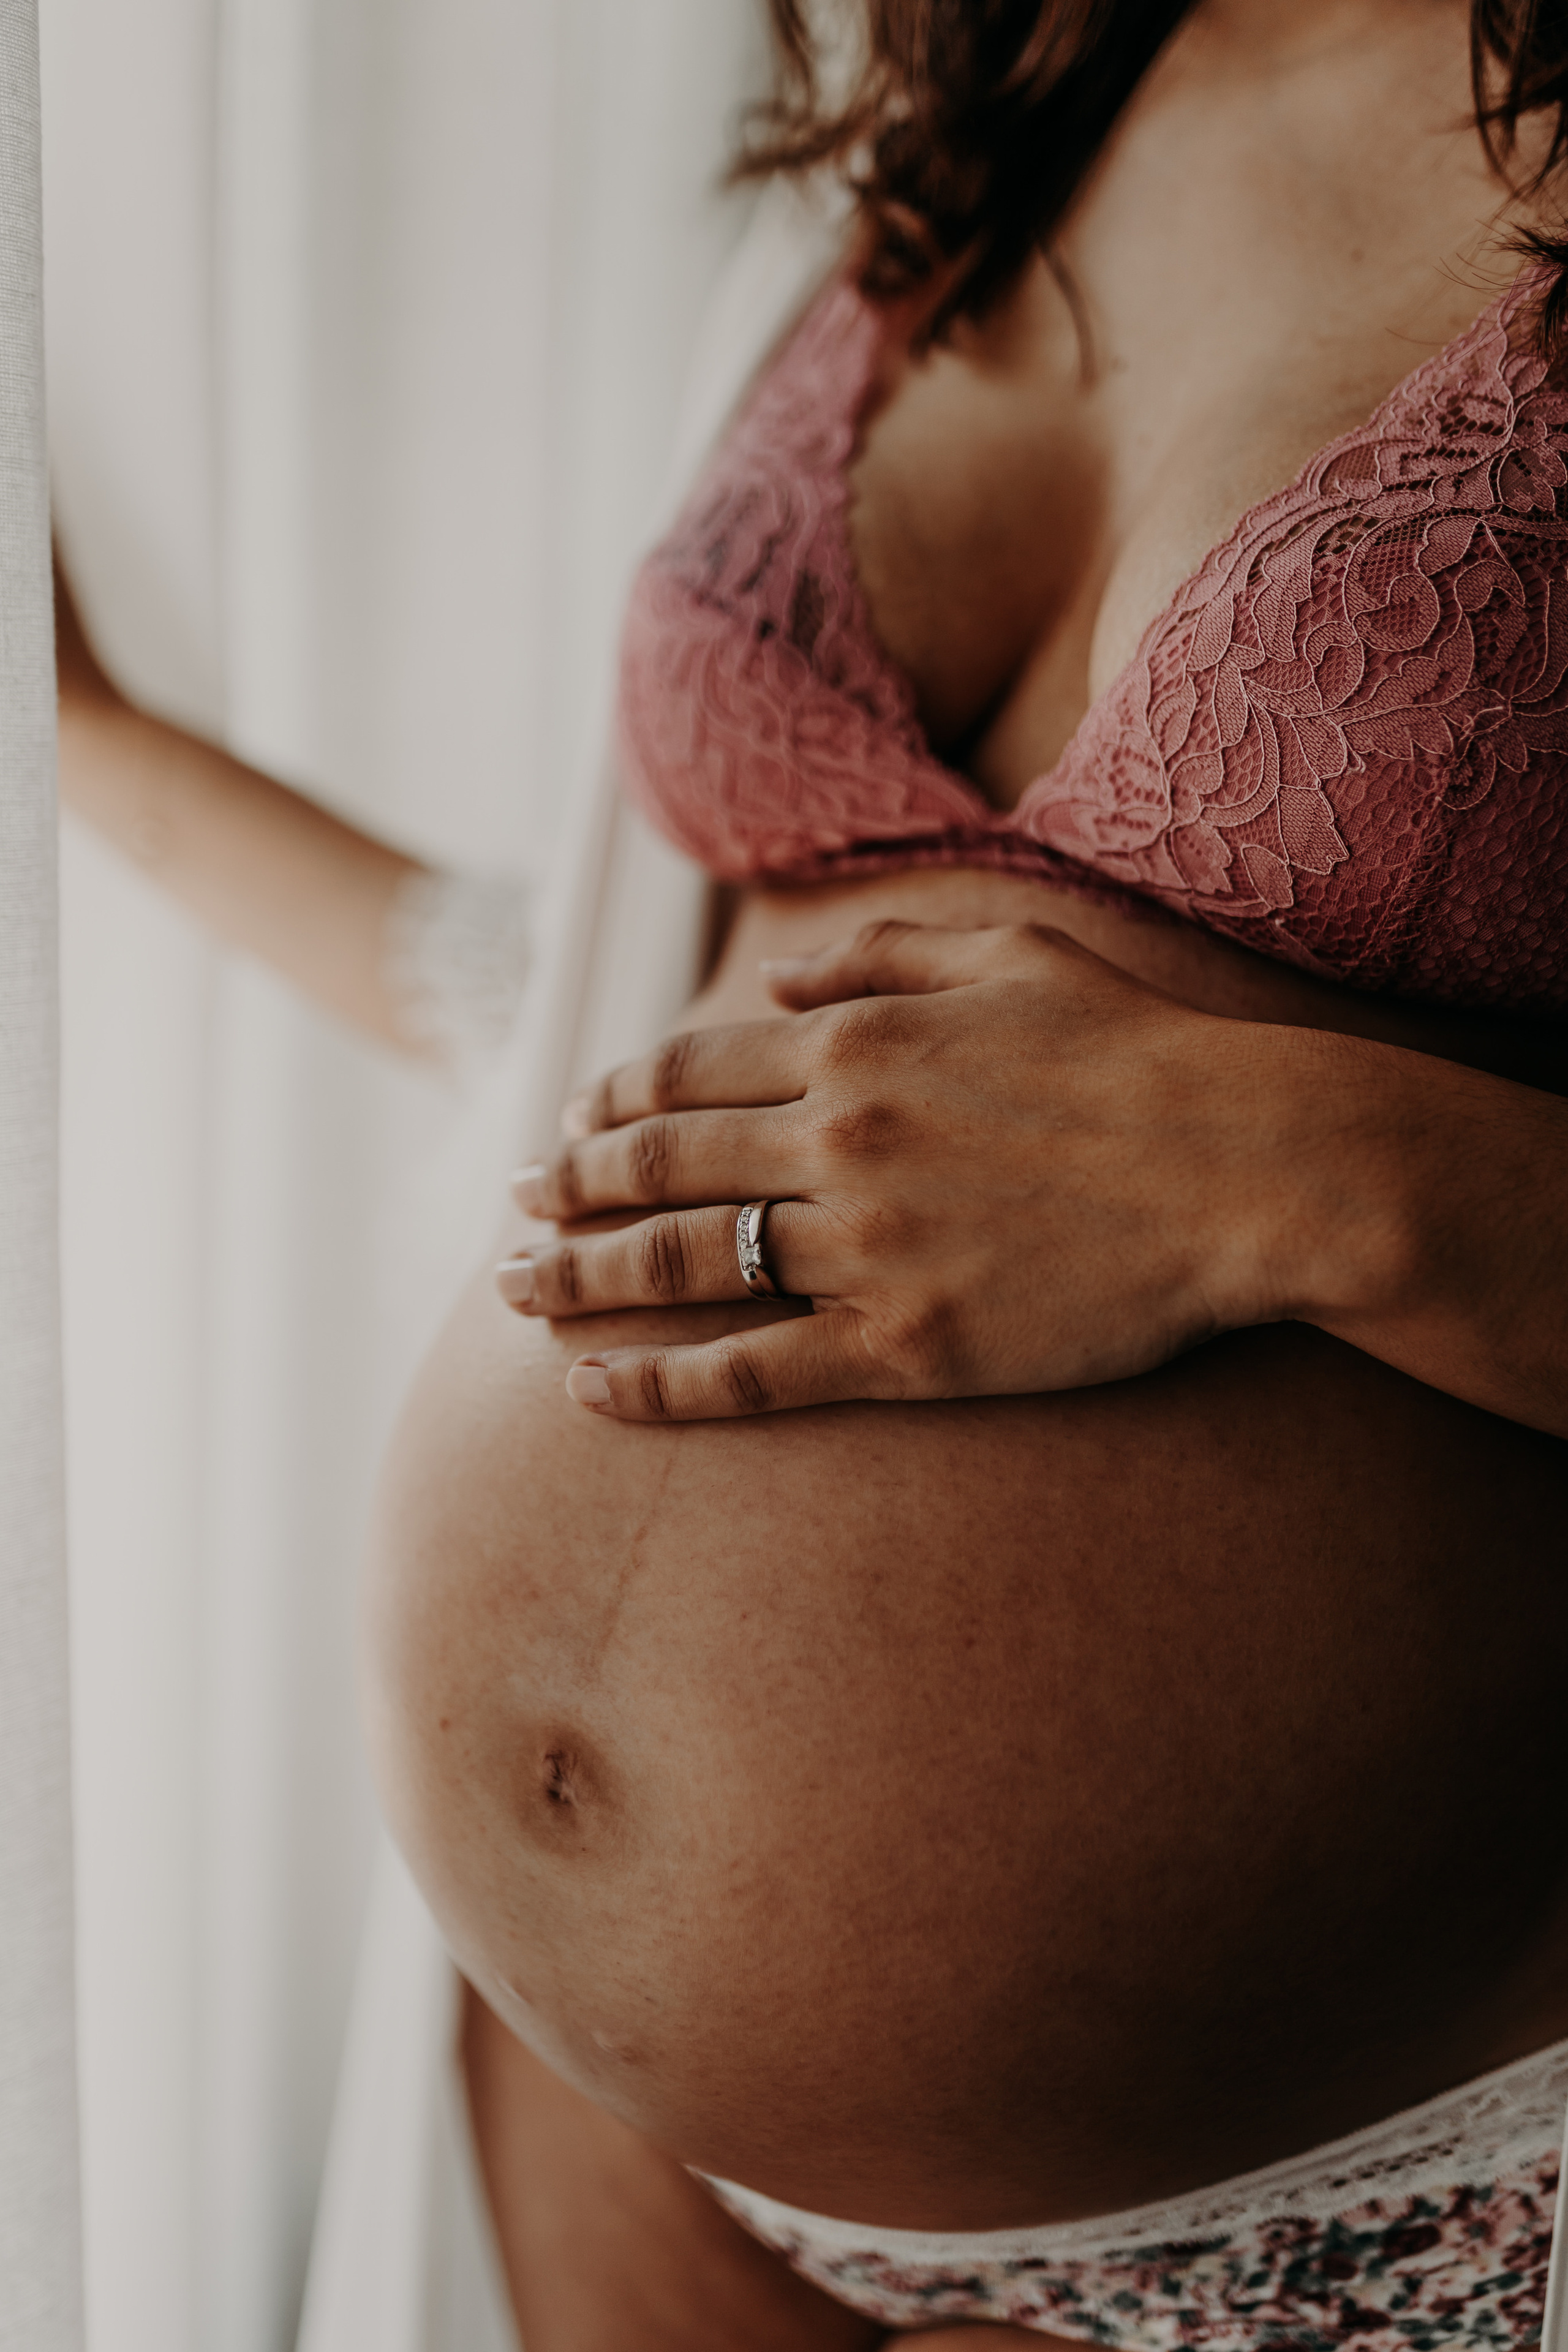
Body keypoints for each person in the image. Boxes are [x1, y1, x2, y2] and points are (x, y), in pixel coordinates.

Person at [59, 2, 1568, 2346]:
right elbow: (639, 1010)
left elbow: (1046, 1114)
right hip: (611, 2115)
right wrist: (98, 752)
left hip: (1387, 2162)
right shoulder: (1000, 94)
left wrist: (1289, 1173)